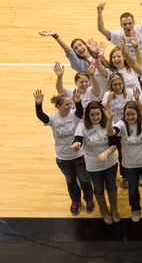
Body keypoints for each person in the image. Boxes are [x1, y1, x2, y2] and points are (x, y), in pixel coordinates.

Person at [34, 88, 94, 216]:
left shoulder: (74, 115)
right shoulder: (53, 118)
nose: (70, 106)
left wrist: (77, 102)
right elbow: (41, 116)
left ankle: (89, 199)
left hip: (78, 155)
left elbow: (80, 112)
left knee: (84, 179)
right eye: (67, 104)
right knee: (70, 180)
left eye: (70, 104)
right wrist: (38, 104)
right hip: (63, 157)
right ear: (58, 106)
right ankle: (75, 201)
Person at [72, 102, 120, 225]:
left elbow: (115, 144)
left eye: (98, 114)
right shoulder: (82, 126)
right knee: (98, 189)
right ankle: (104, 211)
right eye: (92, 115)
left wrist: (107, 153)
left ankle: (114, 209)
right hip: (93, 166)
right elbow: (77, 139)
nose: (95, 117)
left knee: (112, 186)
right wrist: (76, 144)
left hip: (110, 163)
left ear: (102, 113)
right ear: (88, 115)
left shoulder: (108, 123)